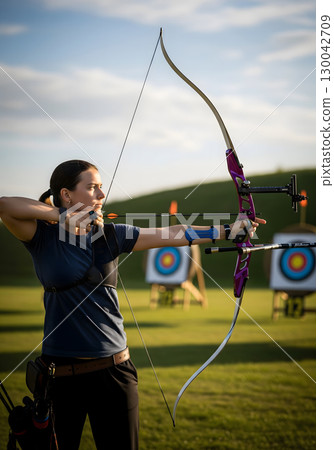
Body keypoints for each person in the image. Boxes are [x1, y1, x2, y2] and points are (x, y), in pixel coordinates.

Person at [0, 160, 265, 449]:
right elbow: (5, 205)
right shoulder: (42, 236)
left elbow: (174, 233)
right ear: (66, 194)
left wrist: (228, 230)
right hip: (59, 378)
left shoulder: (110, 235)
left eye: (101, 187)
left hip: (114, 372)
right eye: (92, 187)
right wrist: (62, 217)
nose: (101, 195)